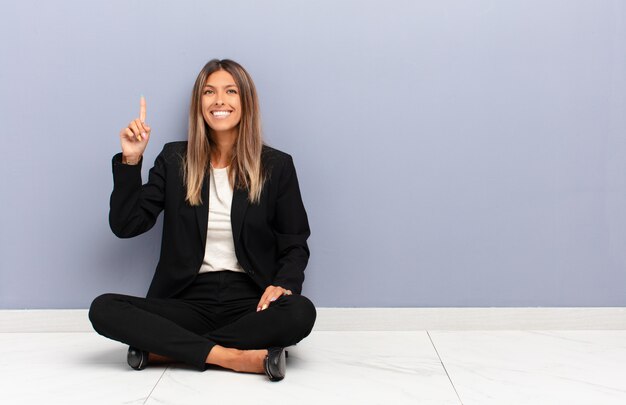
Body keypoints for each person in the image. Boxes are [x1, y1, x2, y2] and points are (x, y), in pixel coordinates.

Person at [88, 59, 316, 381]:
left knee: (300, 313)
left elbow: (294, 243)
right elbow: (127, 225)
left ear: (245, 101)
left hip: (250, 303)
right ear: (199, 104)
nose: (219, 100)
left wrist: (284, 284)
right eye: (209, 92)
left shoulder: (276, 166)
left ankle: (167, 349)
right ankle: (235, 358)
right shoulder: (173, 159)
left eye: (230, 91)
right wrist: (131, 159)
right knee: (103, 308)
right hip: (185, 301)